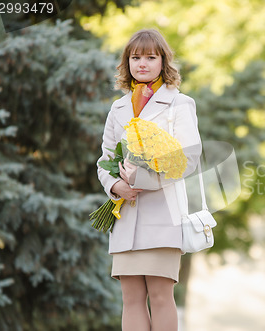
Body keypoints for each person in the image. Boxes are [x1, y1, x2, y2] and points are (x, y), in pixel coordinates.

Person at [96, 28, 202, 331]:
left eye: (150, 57)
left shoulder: (181, 105)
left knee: (159, 294)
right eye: (135, 57)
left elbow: (189, 159)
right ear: (127, 62)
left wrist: (142, 179)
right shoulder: (118, 108)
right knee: (130, 297)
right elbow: (105, 158)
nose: (142, 63)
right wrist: (115, 185)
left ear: (163, 61)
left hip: (163, 215)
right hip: (125, 216)